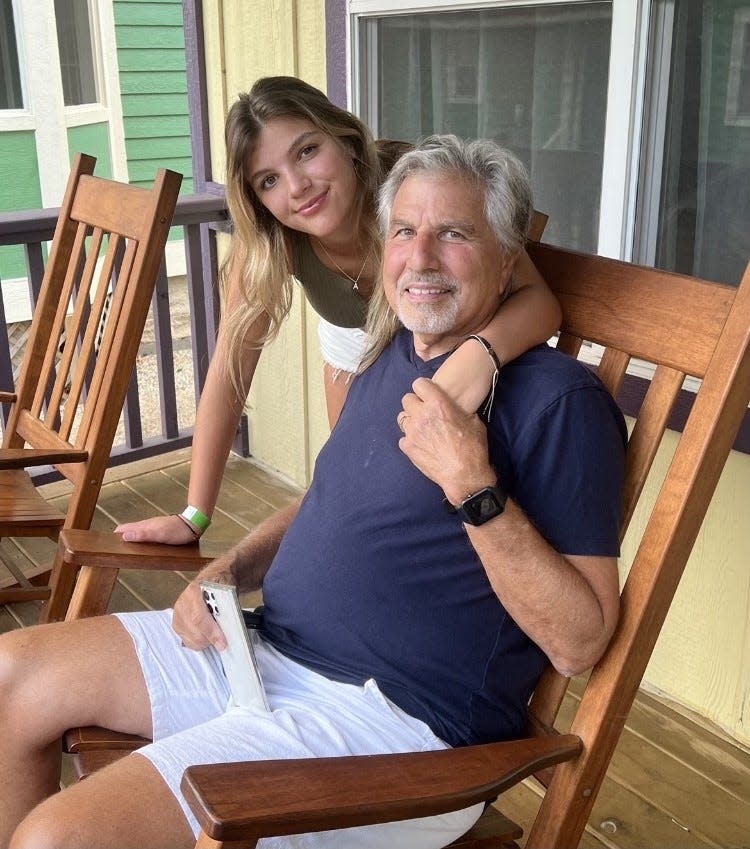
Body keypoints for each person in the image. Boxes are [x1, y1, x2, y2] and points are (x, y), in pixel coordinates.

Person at [0, 135, 626, 849]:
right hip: (262, 646)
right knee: (10, 675)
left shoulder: (559, 403)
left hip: (392, 728)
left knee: (61, 838)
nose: (420, 258)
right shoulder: (395, 350)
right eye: (403, 231)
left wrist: (472, 485)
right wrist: (231, 568)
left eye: (454, 233)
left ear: (509, 258)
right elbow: (329, 499)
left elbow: (580, 642)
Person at [114, 75, 562, 546]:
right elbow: (229, 371)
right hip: (355, 358)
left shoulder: (409, 184)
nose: (298, 186)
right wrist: (194, 516)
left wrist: (476, 358)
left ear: (345, 138)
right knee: (367, 500)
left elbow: (539, 300)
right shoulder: (270, 241)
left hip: (459, 343)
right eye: (268, 180)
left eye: (307, 151)